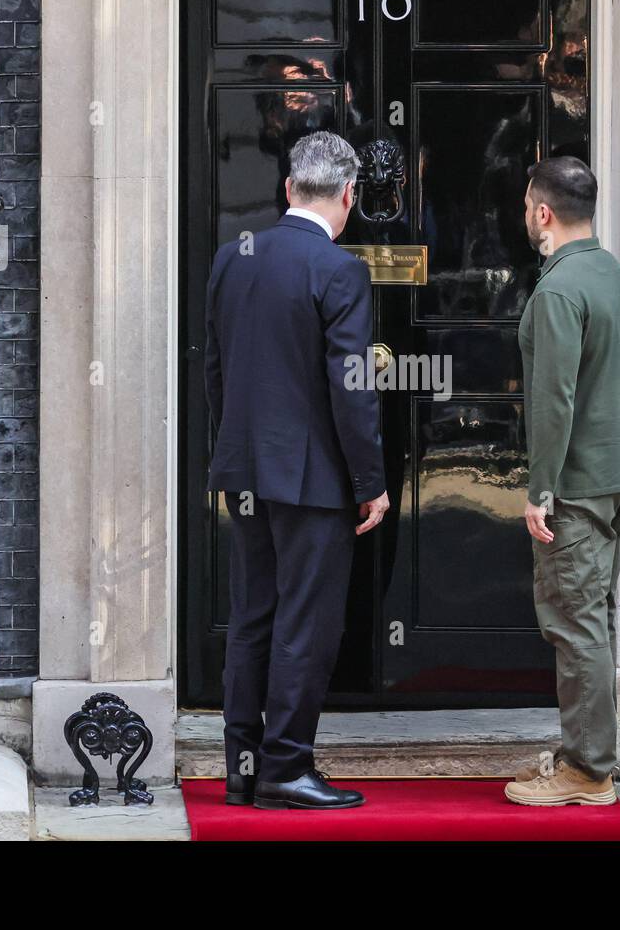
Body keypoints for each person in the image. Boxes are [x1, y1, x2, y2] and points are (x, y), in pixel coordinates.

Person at [204, 131, 389, 810]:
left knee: (253, 617)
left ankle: (242, 768)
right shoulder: (338, 270)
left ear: (288, 188)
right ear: (348, 196)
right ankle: (284, 765)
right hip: (312, 480)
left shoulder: (233, 258)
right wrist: (369, 480)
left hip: (245, 468)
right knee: (305, 625)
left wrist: (236, 448)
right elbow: (351, 385)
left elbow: (215, 371)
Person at [510, 156, 620, 806]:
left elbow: (554, 399)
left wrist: (539, 490)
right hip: (617, 476)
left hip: (577, 484)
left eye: (526, 207)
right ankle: (585, 757)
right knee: (595, 619)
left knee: (574, 622)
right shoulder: (617, 278)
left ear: (542, 212)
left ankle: (588, 772)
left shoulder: (559, 290)